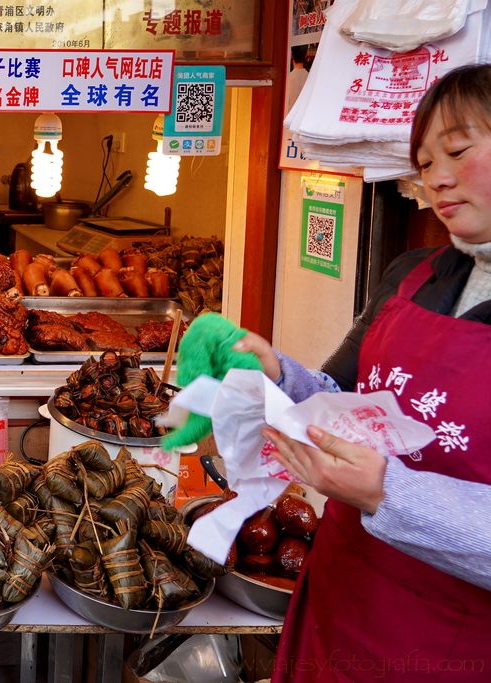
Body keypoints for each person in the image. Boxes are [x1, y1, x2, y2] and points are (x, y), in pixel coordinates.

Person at [235, 63, 491, 680]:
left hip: (453, 644)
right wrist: (279, 372)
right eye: (424, 163)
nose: (439, 180)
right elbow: (343, 399)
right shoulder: (412, 273)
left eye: (457, 150)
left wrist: (388, 492)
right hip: (340, 599)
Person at [284, 45, 309, 116]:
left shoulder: (287, 78)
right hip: (303, 119)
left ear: (291, 54)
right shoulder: (309, 77)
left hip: (288, 118)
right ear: (306, 55)